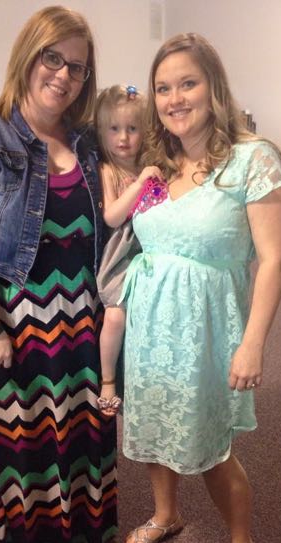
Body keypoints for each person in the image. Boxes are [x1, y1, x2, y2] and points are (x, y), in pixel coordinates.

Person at [0, 6, 117, 543]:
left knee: (85, 430)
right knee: (27, 438)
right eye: (53, 58)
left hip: (83, 320)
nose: (64, 75)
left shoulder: (89, 141)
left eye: (78, 68)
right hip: (14, 322)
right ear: (29, 56)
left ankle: (86, 537)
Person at [120, 33, 281, 543]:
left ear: (213, 87)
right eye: (163, 87)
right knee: (152, 433)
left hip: (207, 332)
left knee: (213, 449)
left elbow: (273, 259)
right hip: (149, 326)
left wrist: (253, 343)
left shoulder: (253, 159)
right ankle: (166, 515)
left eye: (187, 83)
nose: (174, 98)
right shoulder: (157, 165)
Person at [93, 85, 162, 416]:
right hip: (122, 256)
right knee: (116, 315)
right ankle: (108, 380)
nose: (124, 138)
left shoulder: (152, 166)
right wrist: (139, 185)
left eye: (132, 129)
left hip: (152, 252)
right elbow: (112, 215)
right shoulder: (110, 170)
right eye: (114, 129)